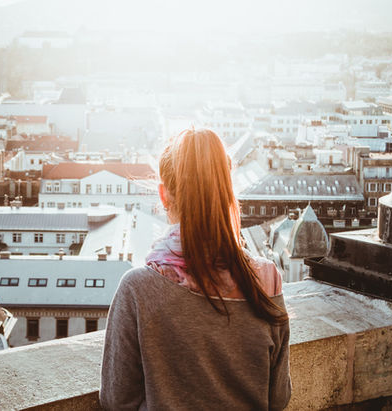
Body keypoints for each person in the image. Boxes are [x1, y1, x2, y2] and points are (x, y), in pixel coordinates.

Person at [99, 129, 291, 410]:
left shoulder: (139, 289)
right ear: (227, 193)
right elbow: (279, 398)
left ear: (164, 195)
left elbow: (116, 400)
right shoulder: (266, 279)